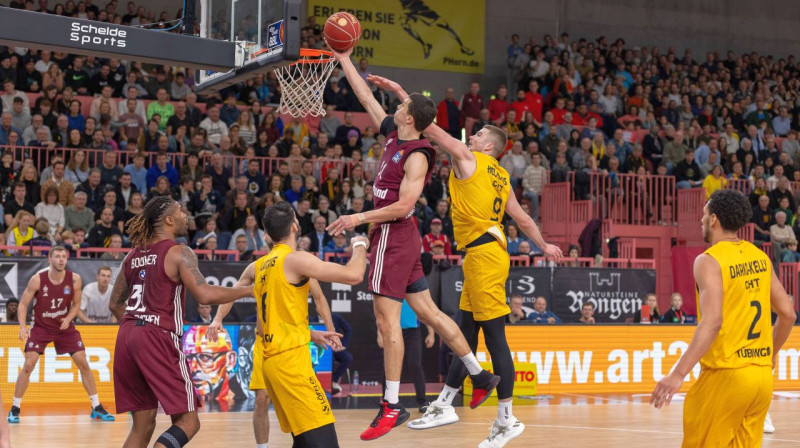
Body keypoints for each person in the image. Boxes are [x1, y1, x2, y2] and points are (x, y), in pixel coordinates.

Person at [368, 74, 561, 446]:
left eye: (476, 135)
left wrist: (400, 95)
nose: (469, 137)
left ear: (487, 144)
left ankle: (507, 420)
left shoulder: (470, 157)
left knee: (495, 337)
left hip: (485, 255)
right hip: (486, 252)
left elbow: (430, 128)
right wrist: (543, 244)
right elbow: (521, 219)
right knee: (466, 332)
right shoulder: (502, 176)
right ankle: (444, 403)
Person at [326, 48, 501, 442]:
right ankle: (480, 374)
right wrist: (344, 58)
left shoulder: (417, 155)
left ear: (410, 119)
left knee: (388, 322)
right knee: (430, 313)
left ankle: (391, 404)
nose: (397, 105)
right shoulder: (393, 131)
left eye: (402, 103)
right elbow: (366, 96)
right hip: (402, 237)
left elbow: (404, 205)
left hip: (394, 234)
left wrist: (358, 218)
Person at [650, 189, 796, 447]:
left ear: (714, 219)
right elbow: (787, 314)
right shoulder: (759, 256)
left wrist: (678, 373)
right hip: (761, 379)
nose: (701, 220)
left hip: (727, 376)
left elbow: (713, 321)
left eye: (704, 215)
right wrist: (770, 353)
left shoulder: (709, 260)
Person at [107, 196, 254, 448]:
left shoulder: (132, 256)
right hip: (157, 336)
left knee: (142, 426)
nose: (186, 216)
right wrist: (249, 291)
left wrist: (138, 328)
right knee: (188, 422)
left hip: (127, 335)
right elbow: (205, 294)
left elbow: (114, 304)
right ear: (168, 219)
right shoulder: (179, 252)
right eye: (181, 211)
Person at [242, 202, 368, 446]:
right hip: (291, 365)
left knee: (303, 441)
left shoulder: (261, 266)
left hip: (272, 363)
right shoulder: (295, 260)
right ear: (295, 226)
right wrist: (360, 244)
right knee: (325, 441)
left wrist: (308, 333)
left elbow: (263, 325)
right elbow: (354, 275)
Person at [209, 234, 340, 448]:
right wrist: (217, 318)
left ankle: (302, 439)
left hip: (290, 342)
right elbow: (233, 292)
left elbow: (319, 298)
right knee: (262, 398)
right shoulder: (257, 267)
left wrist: (330, 329)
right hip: (265, 342)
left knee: (297, 406)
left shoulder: (297, 263)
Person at [9, 246, 115, 423]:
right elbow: (22, 305)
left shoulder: (75, 279)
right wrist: (22, 327)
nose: (61, 260)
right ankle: (14, 408)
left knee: (83, 362)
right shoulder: (37, 280)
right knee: (28, 364)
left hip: (64, 327)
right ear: (49, 259)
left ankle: (96, 406)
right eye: (57, 256)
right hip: (41, 327)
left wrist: (69, 317)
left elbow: (76, 305)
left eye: (64, 257)